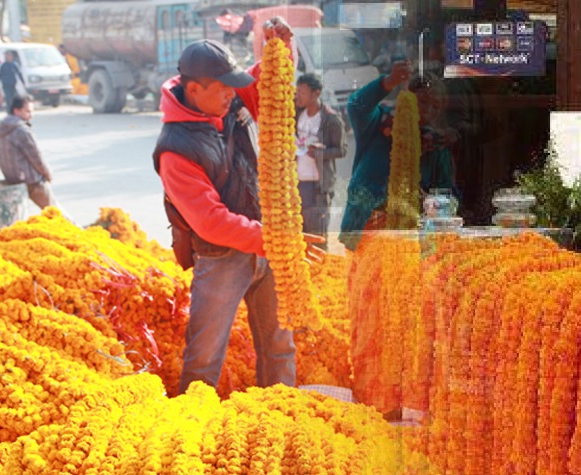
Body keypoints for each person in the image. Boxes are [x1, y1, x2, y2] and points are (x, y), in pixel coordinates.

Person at [153, 20, 322, 396]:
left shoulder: (228, 102)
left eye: (234, 86)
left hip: (267, 248)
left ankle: (279, 414)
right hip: (222, 259)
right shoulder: (175, 150)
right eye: (224, 88)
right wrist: (274, 240)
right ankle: (193, 422)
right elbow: (210, 221)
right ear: (194, 90)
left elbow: (267, 89)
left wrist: (280, 48)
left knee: (279, 347)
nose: (233, 93)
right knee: (204, 356)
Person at [339, 62, 455, 250]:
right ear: (408, 96)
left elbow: (447, 194)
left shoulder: (437, 147)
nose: (428, 110)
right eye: (423, 101)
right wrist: (389, 82)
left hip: (407, 238)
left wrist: (429, 202)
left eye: (435, 106)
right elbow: (356, 106)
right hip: (364, 230)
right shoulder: (378, 124)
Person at [294, 73, 345, 250]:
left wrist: (319, 154)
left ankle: (322, 267)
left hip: (317, 186)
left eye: (302, 92)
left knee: (317, 239)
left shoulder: (331, 119)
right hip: (297, 183)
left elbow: (341, 150)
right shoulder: (297, 113)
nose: (297, 96)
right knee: (299, 237)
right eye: (297, 92)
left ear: (316, 93)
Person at [0, 96, 54, 209]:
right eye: (28, 111)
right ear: (16, 111)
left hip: (11, 179)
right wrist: (47, 174)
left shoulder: (2, 126)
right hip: (31, 182)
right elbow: (36, 158)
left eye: (32, 111)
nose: (31, 115)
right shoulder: (21, 130)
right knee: (54, 212)